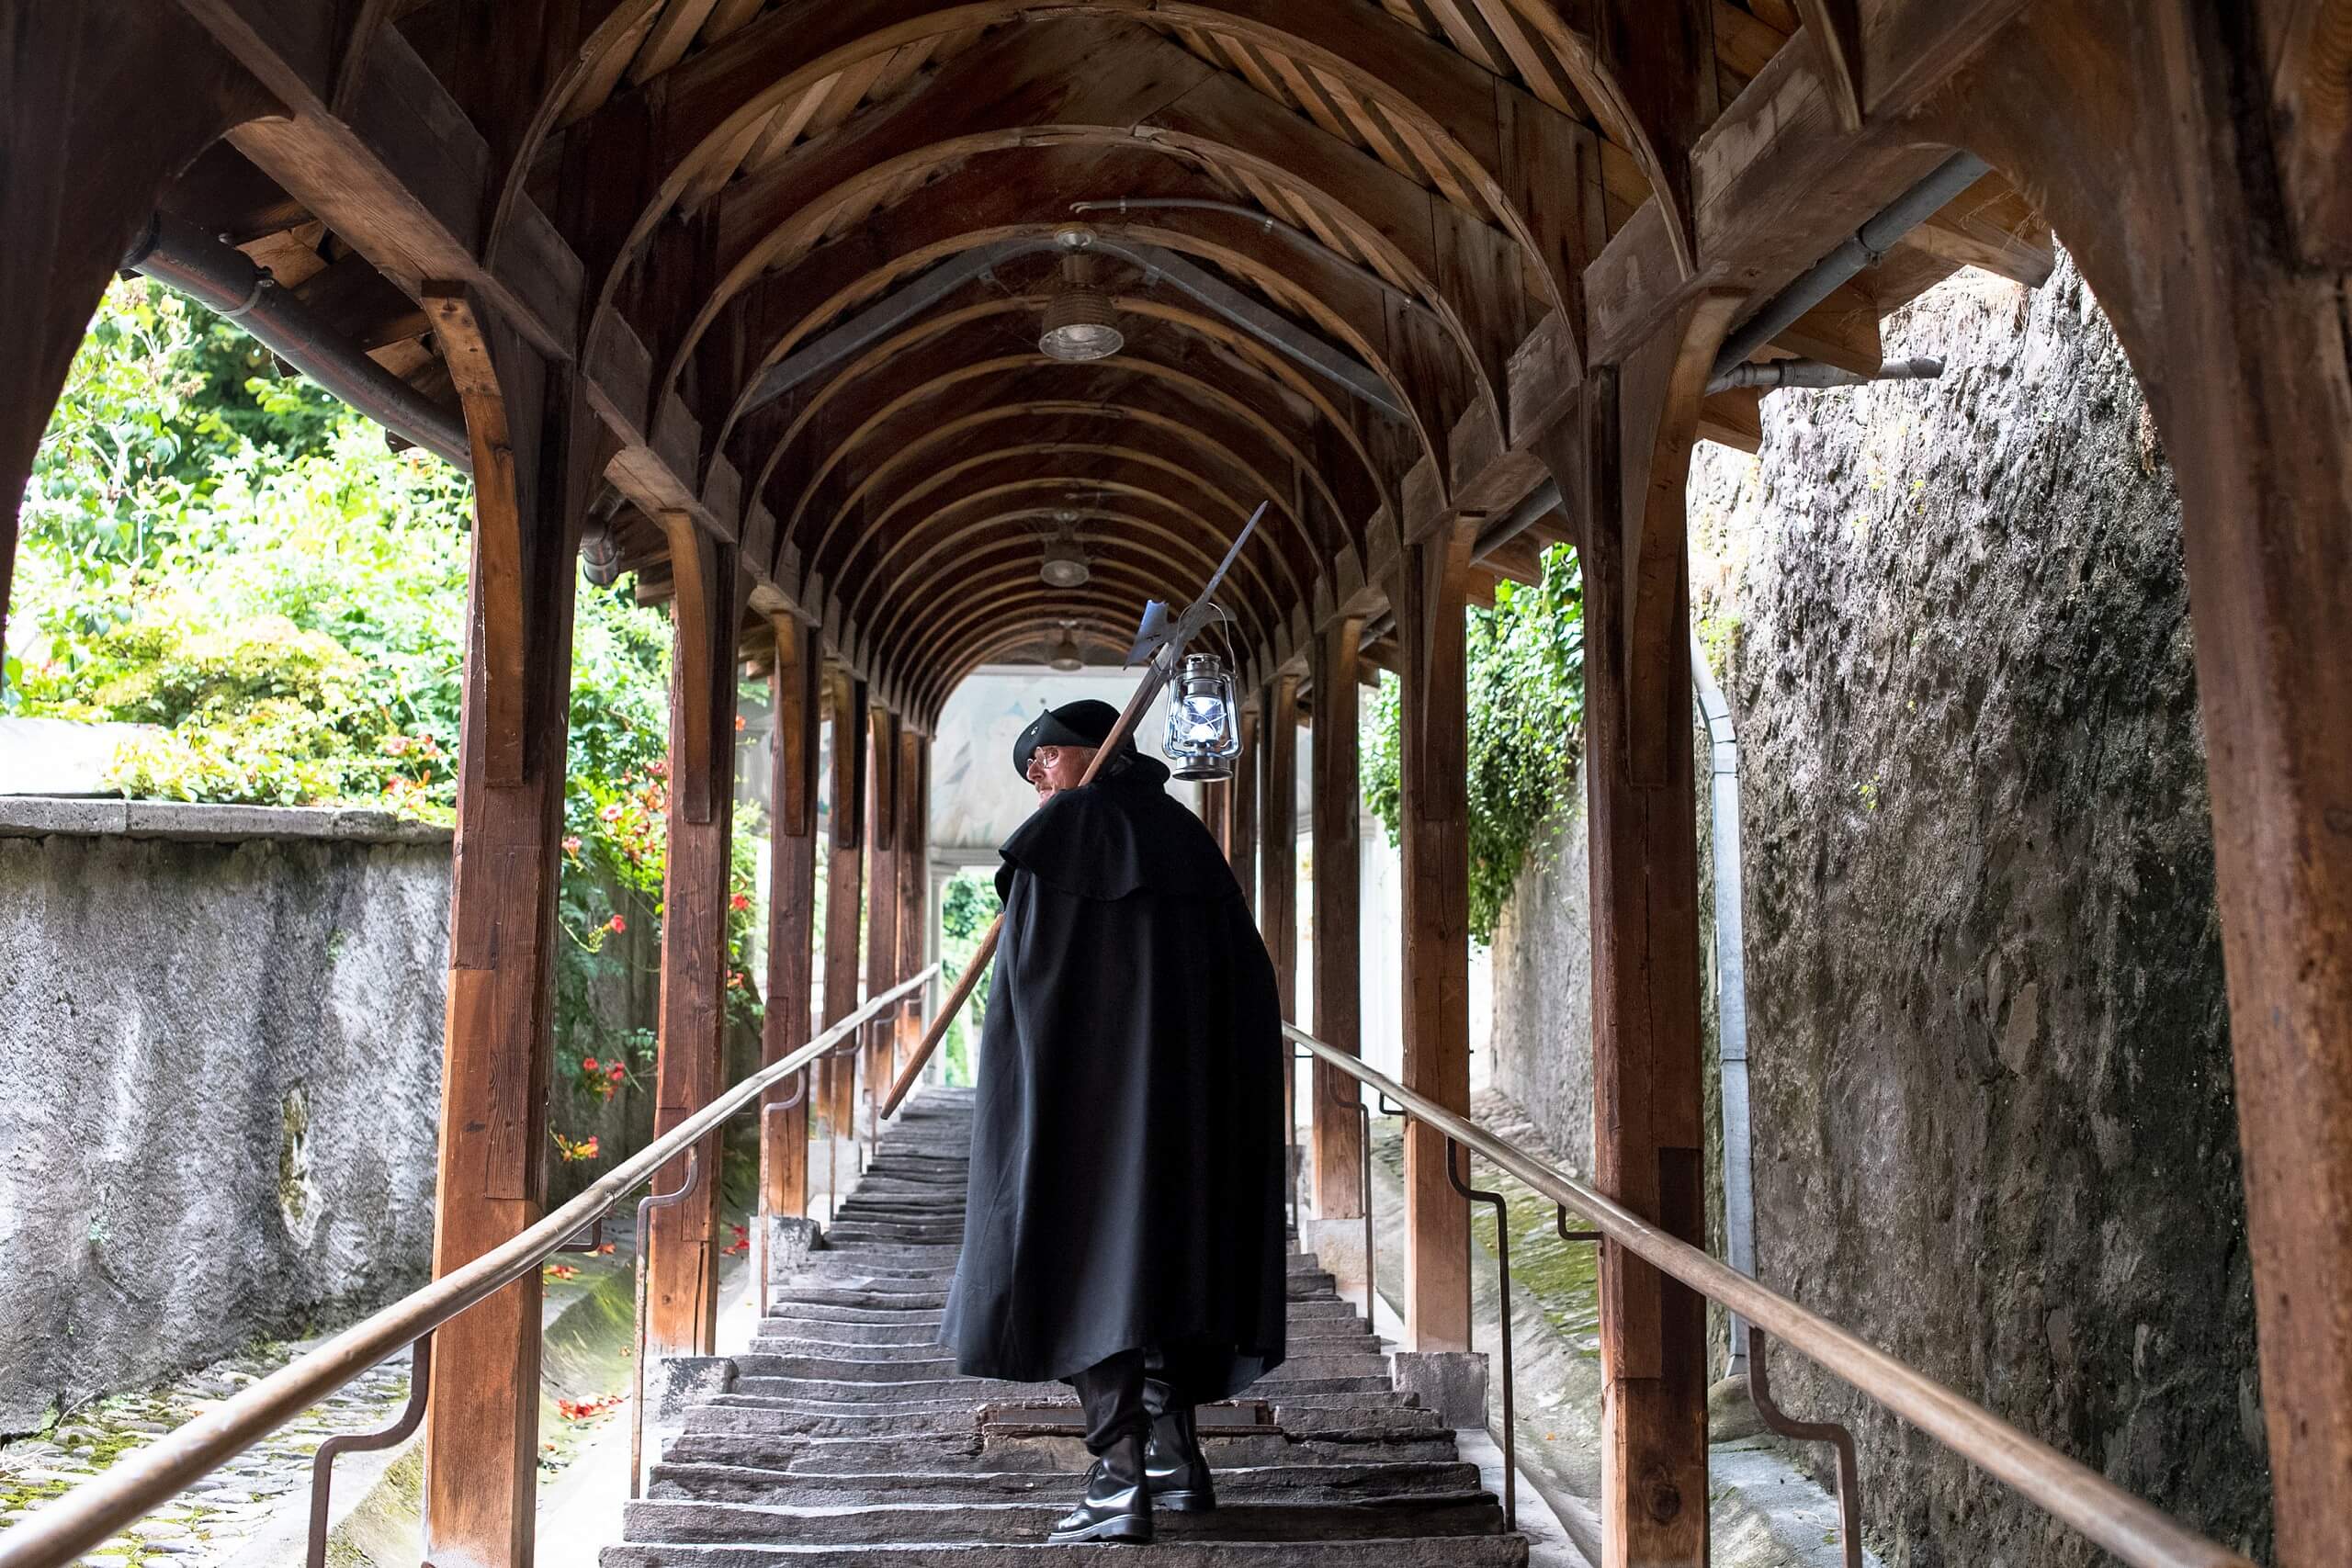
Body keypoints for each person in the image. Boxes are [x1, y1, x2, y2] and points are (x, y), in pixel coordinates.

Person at [940, 697, 1287, 1546]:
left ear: (1092, 753)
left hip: (1086, 1113)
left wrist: (1026, 1107)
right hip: (1188, 1115)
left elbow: (1027, 998)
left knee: (1089, 1268)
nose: (1036, 778)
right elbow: (1247, 981)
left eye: (1045, 759)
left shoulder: (1062, 839)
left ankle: (1114, 1481)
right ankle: (1175, 1461)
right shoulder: (1187, 840)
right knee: (1167, 1264)